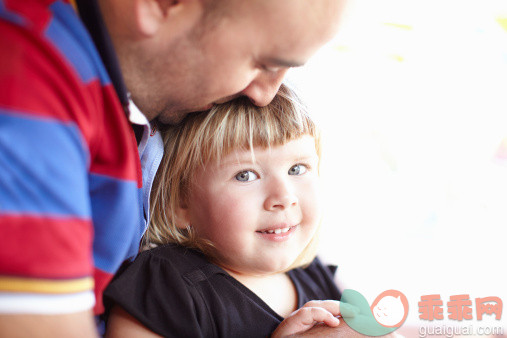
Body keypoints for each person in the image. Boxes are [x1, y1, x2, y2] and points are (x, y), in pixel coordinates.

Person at [0, 0, 343, 336]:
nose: (266, 95)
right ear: (161, 4)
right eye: (261, 63)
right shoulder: (26, 90)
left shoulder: (133, 112)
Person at [102, 84, 344, 337]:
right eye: (246, 175)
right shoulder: (166, 285)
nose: (284, 197)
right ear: (181, 203)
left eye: (297, 169)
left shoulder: (317, 275)